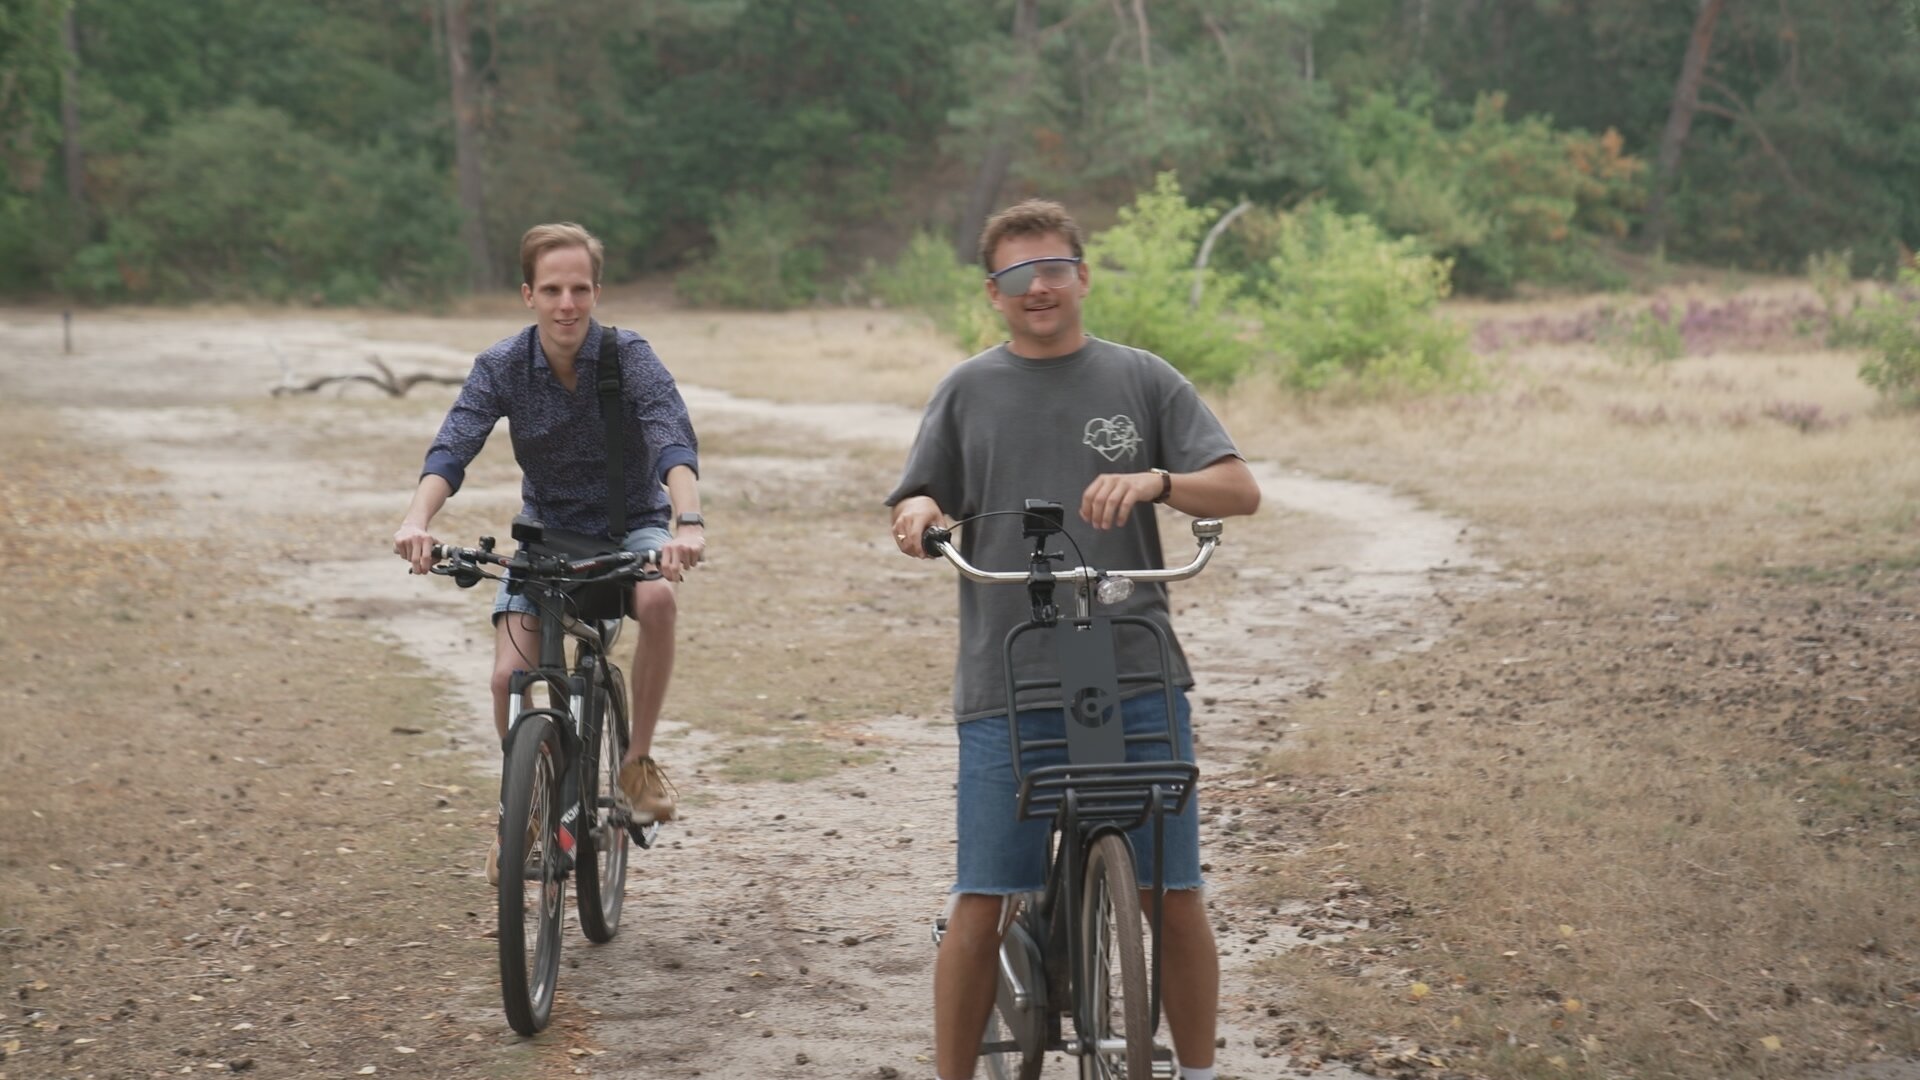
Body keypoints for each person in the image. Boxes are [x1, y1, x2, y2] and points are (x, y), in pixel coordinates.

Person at [887, 199, 1261, 1080]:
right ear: (994, 293)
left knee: (1172, 895)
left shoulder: (1143, 379)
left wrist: (1160, 481)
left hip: (1135, 669)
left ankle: (1200, 1072)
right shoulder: (967, 390)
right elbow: (917, 497)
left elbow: (1239, 490)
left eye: (1053, 268)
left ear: (1083, 276)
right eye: (1017, 275)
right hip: (1006, 680)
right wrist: (919, 515)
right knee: (985, 902)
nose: (1038, 287)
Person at [394, 222, 704, 882]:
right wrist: (418, 518)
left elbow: (671, 440)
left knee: (657, 598)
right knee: (508, 678)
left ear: (597, 291)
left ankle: (636, 763)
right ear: (528, 293)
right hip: (547, 535)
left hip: (633, 529)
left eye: (581, 289)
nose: (568, 304)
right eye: (554, 290)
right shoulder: (503, 366)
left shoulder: (628, 357)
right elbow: (454, 447)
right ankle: (528, 805)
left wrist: (690, 523)